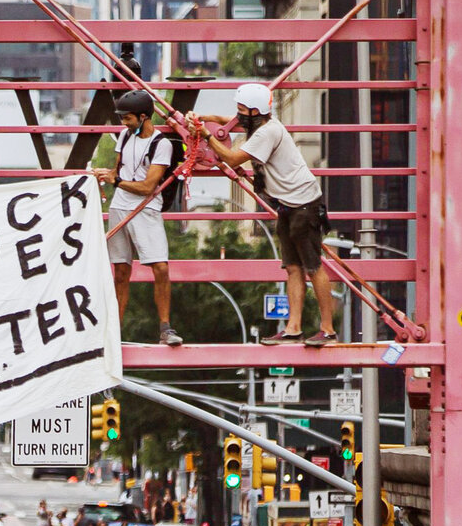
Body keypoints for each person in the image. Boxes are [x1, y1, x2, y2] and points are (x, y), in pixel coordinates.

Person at [200, 81, 336, 345]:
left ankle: (328, 330)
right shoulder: (259, 124)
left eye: (242, 110)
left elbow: (231, 158)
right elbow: (227, 120)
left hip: (304, 205)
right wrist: (204, 118)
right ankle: (293, 328)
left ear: (254, 111)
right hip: (288, 205)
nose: (237, 115)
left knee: (313, 266)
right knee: (293, 268)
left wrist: (206, 136)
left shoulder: (267, 133)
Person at [94, 88, 183, 347]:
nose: (124, 122)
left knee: (161, 267)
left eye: (127, 118)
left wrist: (116, 180)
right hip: (120, 207)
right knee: (120, 270)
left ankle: (165, 328)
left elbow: (147, 186)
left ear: (144, 117)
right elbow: (119, 170)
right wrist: (106, 175)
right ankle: (115, 330)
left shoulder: (161, 144)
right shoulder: (124, 136)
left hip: (146, 208)